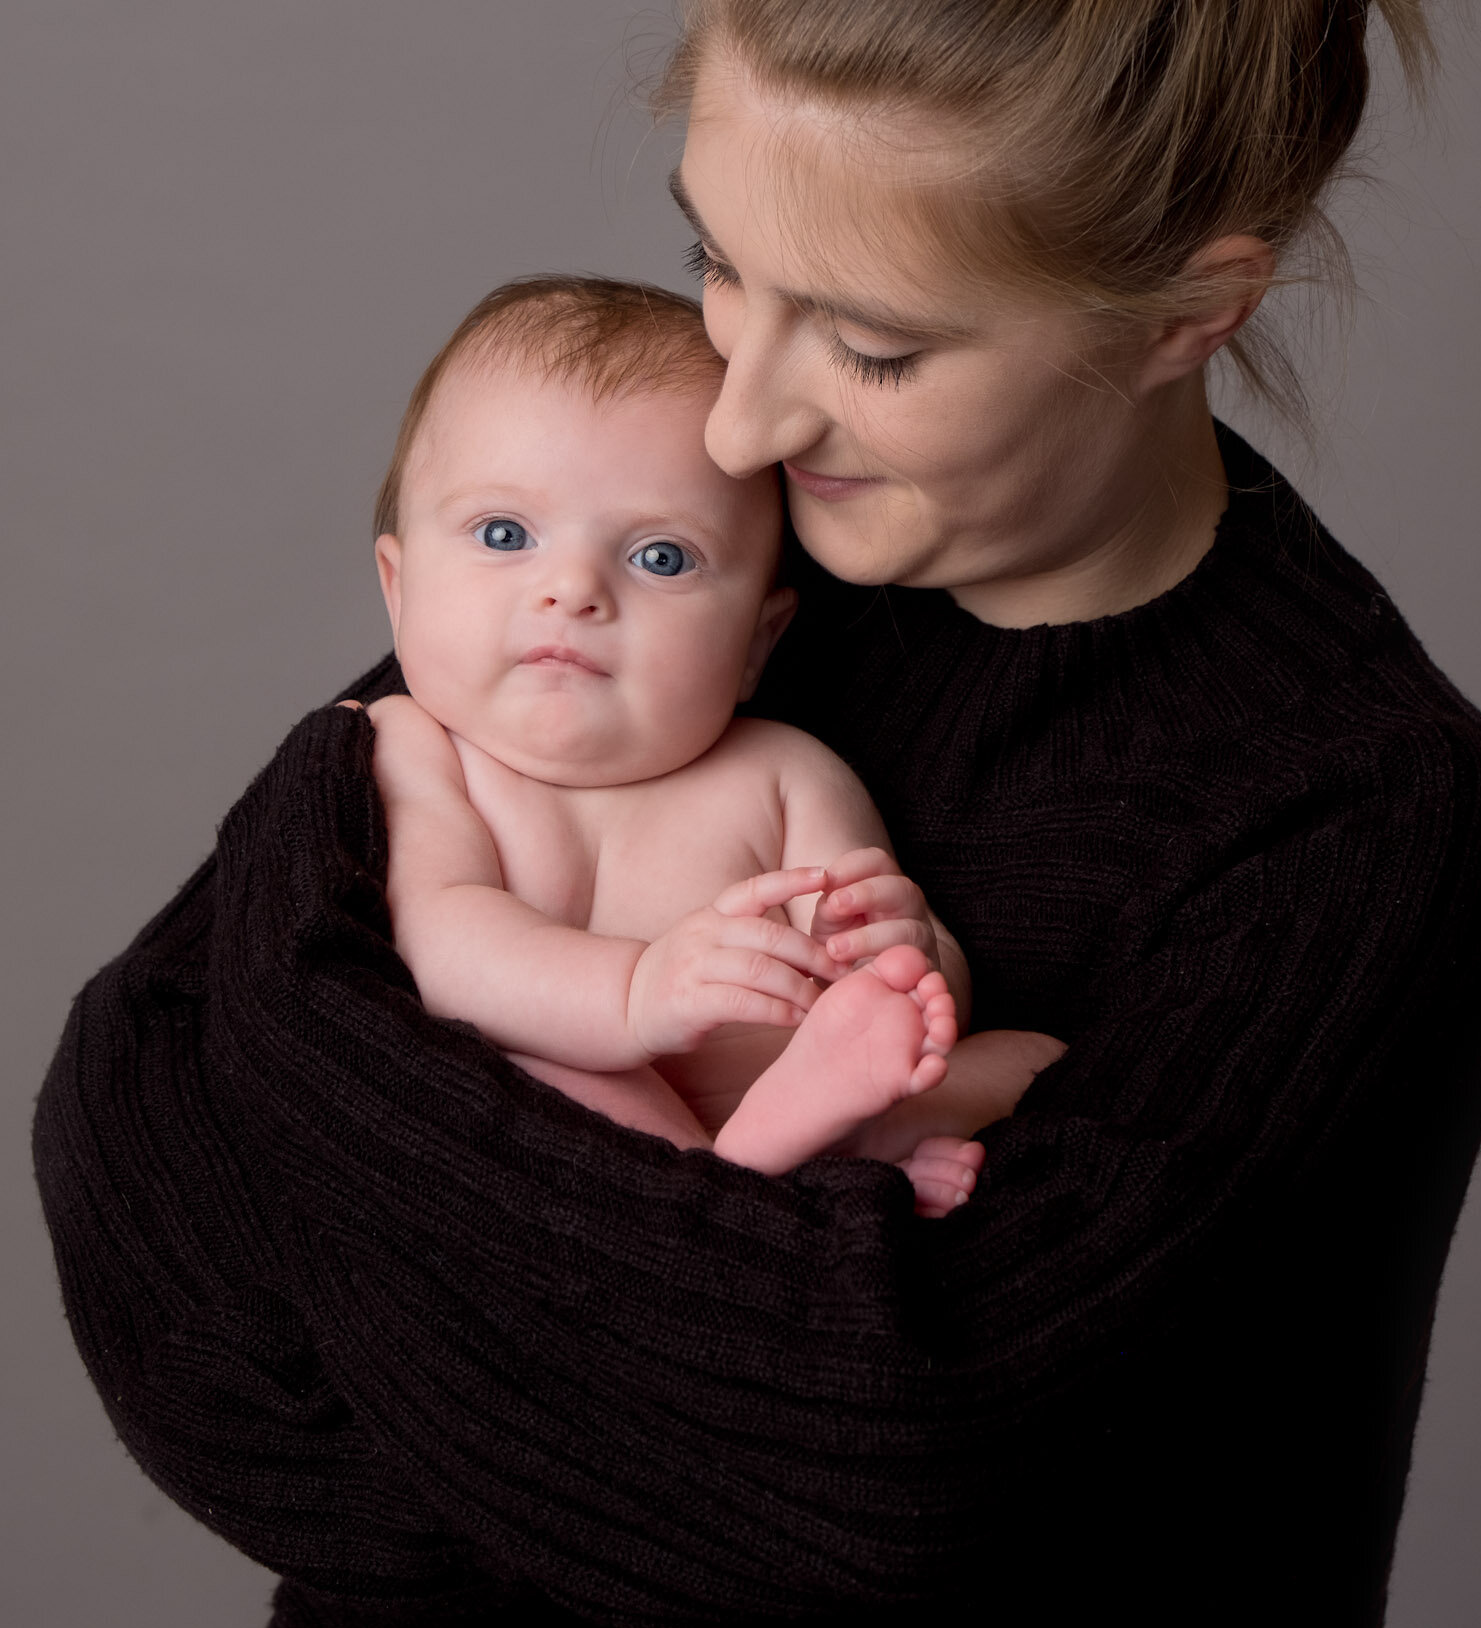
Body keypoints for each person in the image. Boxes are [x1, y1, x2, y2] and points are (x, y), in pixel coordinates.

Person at [32, 0, 1481, 1628]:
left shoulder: (1367, 827)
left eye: (865, 338)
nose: (732, 412)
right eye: (714, 256)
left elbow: (859, 1475)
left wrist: (437, 1283)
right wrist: (572, 1429)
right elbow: (136, 1132)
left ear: (1187, 309)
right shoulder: (684, 551)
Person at [358, 268, 1060, 1205]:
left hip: (792, 1089)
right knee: (531, 1054)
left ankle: (819, 1144)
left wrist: (900, 952)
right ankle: (746, 1183)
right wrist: (636, 996)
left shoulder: (783, 772)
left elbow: (898, 985)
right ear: (398, 591)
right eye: (502, 534)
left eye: (660, 557)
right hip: (582, 1138)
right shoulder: (413, 747)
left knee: (1030, 1060)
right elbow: (441, 939)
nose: (572, 590)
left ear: (755, 644)